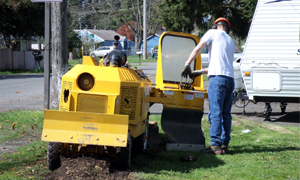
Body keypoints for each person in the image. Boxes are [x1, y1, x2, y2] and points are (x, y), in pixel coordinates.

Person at [181, 17, 235, 154]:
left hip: (217, 80)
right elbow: (220, 64)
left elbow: (198, 48)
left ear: (216, 25)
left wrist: (187, 63)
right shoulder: (230, 41)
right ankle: (224, 144)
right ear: (226, 27)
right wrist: (199, 72)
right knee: (226, 113)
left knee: (215, 112)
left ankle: (215, 145)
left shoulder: (212, 33)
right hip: (230, 79)